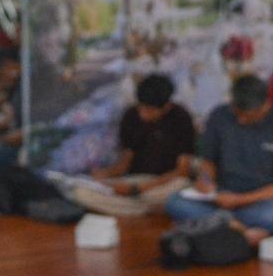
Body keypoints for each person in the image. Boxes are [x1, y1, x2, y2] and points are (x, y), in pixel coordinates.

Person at [164, 75, 273, 244]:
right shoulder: (219, 116)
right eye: (237, 114)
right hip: (221, 197)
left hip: (260, 200)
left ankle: (216, 223)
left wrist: (241, 200)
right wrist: (206, 183)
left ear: (266, 106)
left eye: (248, 116)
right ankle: (236, 227)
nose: (241, 120)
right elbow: (208, 163)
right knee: (175, 202)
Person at [71, 74, 196, 217]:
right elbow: (124, 164)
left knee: (181, 188)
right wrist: (104, 176)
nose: (143, 114)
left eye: (149, 110)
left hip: (165, 182)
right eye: (141, 108)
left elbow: (182, 170)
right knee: (81, 193)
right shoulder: (131, 116)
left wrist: (142, 188)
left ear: (167, 106)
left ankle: (130, 208)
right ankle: (146, 209)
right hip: (135, 179)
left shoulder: (181, 118)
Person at [0, 50, 23, 170]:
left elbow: (26, 132)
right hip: (10, 138)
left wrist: (1, 139)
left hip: (19, 146)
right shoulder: (12, 91)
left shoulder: (23, 93)